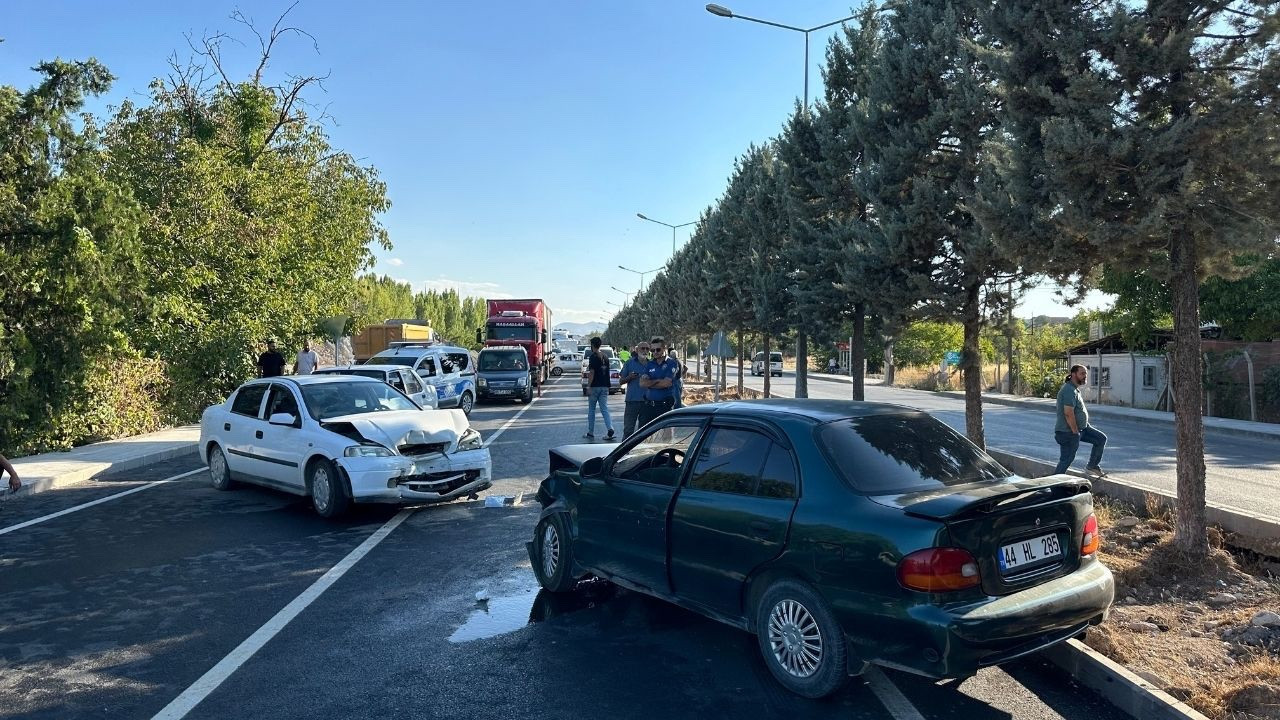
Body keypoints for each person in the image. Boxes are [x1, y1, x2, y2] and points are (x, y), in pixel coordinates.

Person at [1054, 364, 1107, 476]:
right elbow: (1068, 413)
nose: (1085, 376)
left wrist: (1083, 425)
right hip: (1068, 432)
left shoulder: (1074, 389)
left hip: (1082, 429)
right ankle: (1053, 488)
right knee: (1066, 460)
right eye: (1082, 374)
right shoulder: (1069, 390)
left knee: (1100, 439)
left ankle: (1092, 466)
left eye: (1085, 374)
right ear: (1073, 374)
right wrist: (1075, 432)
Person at [638, 337, 680, 427]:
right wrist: (658, 381)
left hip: (664, 406)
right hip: (648, 406)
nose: (655, 352)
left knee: (666, 437)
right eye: (652, 350)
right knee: (643, 436)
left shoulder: (671, 363)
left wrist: (650, 383)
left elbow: (666, 383)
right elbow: (642, 383)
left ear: (664, 349)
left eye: (658, 349)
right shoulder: (650, 364)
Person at [584, 337, 616, 441]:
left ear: (592, 345)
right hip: (604, 386)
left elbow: (592, 372)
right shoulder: (606, 357)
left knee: (592, 410)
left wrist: (588, 386)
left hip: (595, 387)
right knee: (604, 409)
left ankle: (590, 432)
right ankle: (610, 428)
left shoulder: (593, 357)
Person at [620, 342, 650, 437]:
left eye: (647, 349)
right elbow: (621, 381)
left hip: (647, 402)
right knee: (628, 430)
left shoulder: (652, 364)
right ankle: (625, 451)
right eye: (642, 348)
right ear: (637, 350)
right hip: (632, 402)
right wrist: (629, 377)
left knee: (644, 432)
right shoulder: (629, 363)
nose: (645, 351)